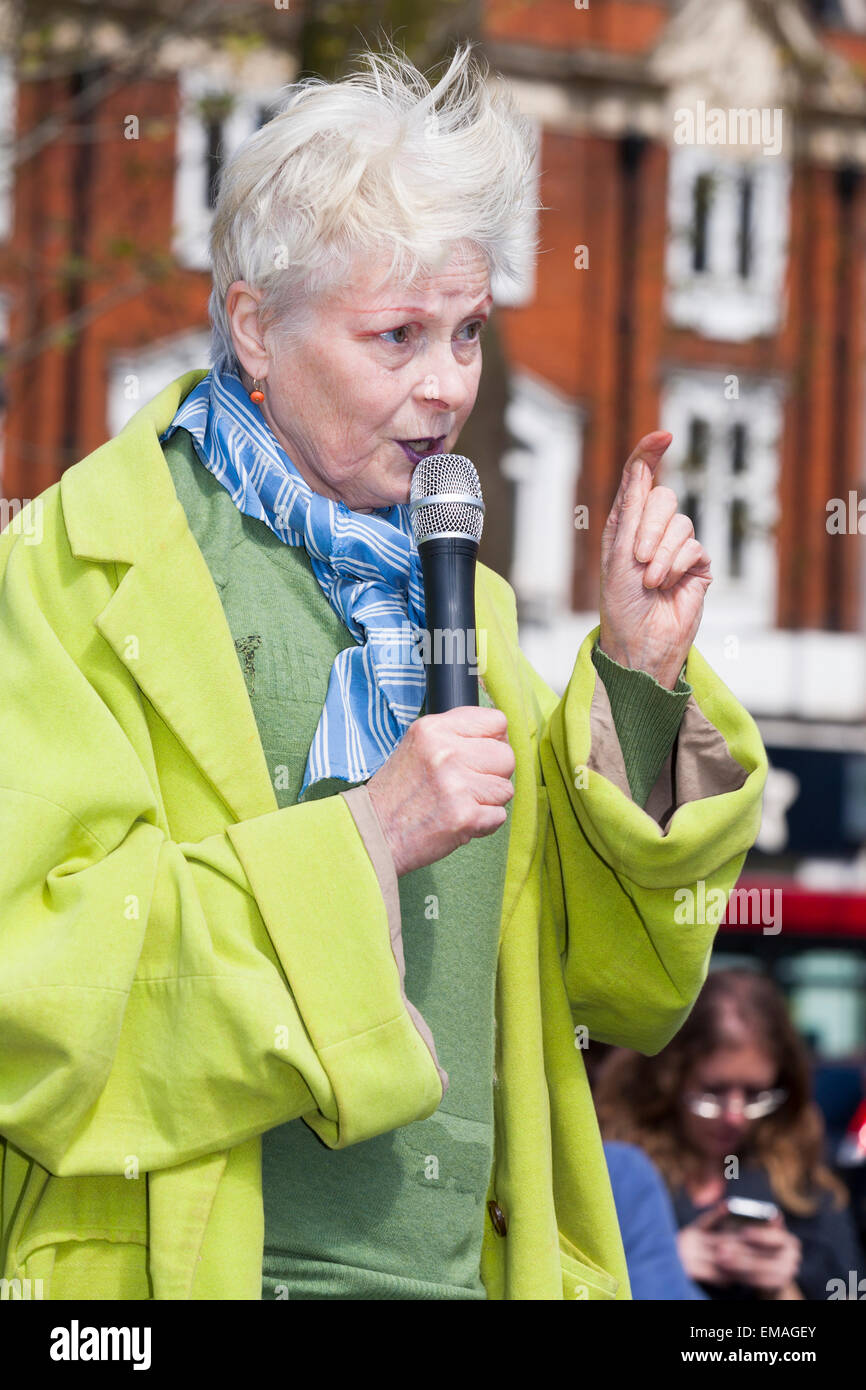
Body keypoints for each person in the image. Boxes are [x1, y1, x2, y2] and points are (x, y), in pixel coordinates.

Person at [0, 42, 767, 1301]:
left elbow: (611, 989)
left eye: (466, 331)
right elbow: (35, 980)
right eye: (395, 334)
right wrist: (364, 834)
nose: (446, 386)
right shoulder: (79, 574)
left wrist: (634, 678)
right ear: (255, 323)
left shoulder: (463, 596)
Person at [595, 969, 865, 1300]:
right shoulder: (619, 1173)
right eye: (713, 1090)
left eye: (755, 1093)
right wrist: (657, 1261)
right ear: (669, 1080)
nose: (734, 1116)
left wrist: (781, 1287)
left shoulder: (804, 1187)